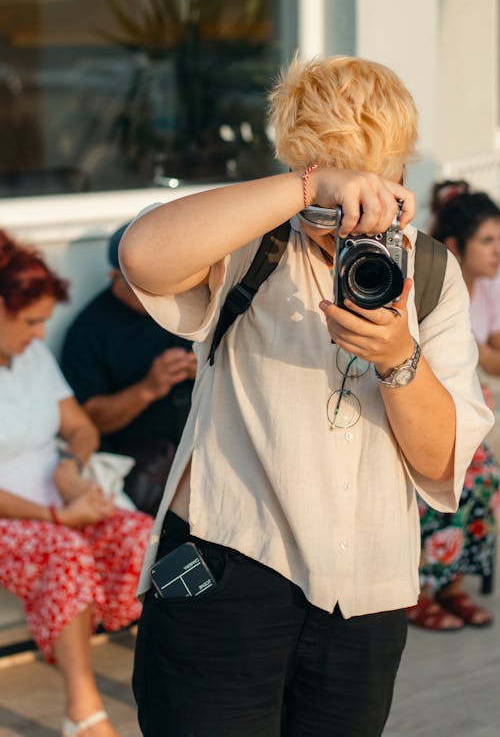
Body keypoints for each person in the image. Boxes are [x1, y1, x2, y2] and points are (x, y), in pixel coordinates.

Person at [120, 56, 493, 737]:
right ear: (298, 167)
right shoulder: (251, 239)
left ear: (402, 172)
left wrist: (398, 361)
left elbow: (443, 464)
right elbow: (143, 254)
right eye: (335, 187)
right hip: (225, 571)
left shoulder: (431, 271)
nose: (352, 214)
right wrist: (306, 188)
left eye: (376, 179)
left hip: (365, 601)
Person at [0, 228, 154, 737]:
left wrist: (73, 465)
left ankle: (173, 678)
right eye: (31, 321)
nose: (42, 333)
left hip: (60, 503)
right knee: (65, 552)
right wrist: (54, 515)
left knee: (141, 534)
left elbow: (80, 425)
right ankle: (81, 709)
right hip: (17, 517)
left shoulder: (31, 358)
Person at [407, 186, 500, 631]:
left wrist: (476, 349)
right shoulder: (429, 285)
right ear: (456, 246)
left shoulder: (487, 291)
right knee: (452, 475)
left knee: (485, 478)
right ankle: (418, 590)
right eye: (487, 240)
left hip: (470, 406)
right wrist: (477, 350)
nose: (498, 250)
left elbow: (494, 359)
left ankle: (452, 584)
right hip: (427, 407)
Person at [61, 223, 196, 516]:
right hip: (142, 468)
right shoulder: (89, 330)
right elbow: (90, 420)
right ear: (115, 278)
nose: (157, 293)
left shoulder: (189, 302)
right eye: (143, 284)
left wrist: (206, 370)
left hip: (205, 450)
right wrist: (148, 388)